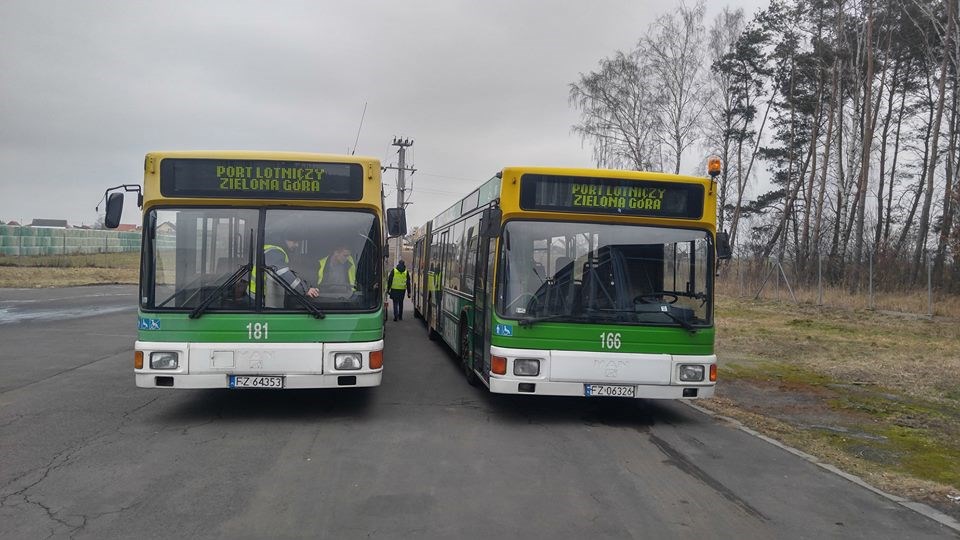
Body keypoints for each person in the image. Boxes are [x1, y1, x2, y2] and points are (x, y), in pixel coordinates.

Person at [250, 236, 319, 305]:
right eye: (294, 242)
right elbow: (283, 274)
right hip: (257, 299)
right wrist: (305, 290)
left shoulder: (272, 249)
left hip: (259, 294)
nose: (297, 245)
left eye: (298, 242)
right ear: (284, 240)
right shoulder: (274, 252)